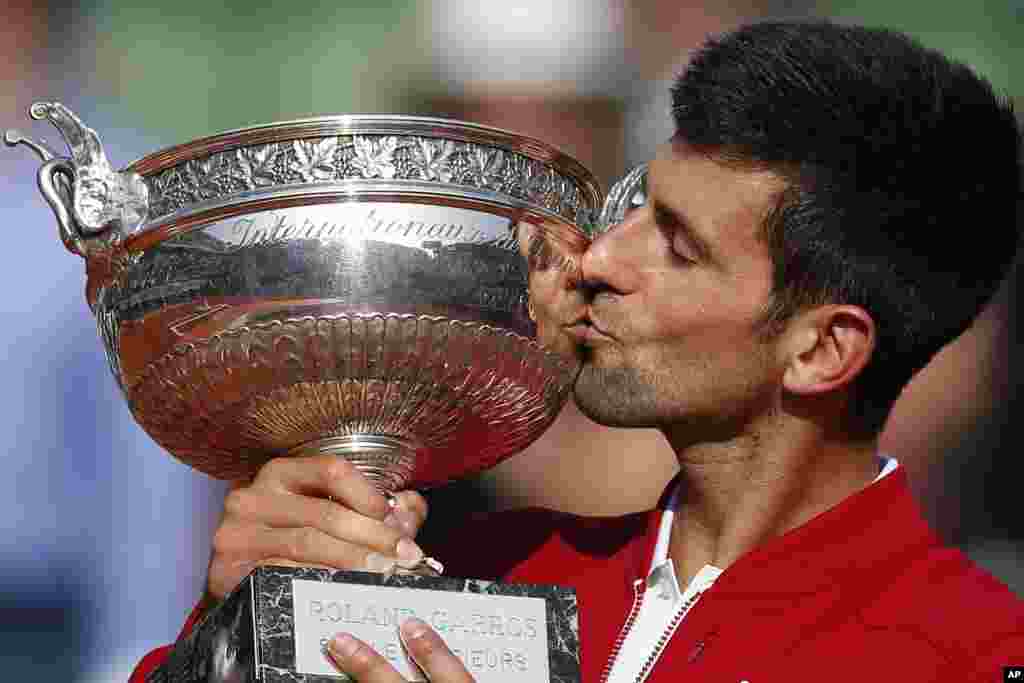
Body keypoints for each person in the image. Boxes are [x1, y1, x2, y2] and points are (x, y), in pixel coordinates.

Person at [131, 20, 1023, 682]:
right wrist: (235, 623)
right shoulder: (487, 569)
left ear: (823, 349)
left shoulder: (968, 653)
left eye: (677, 245)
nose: (599, 258)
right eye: (635, 205)